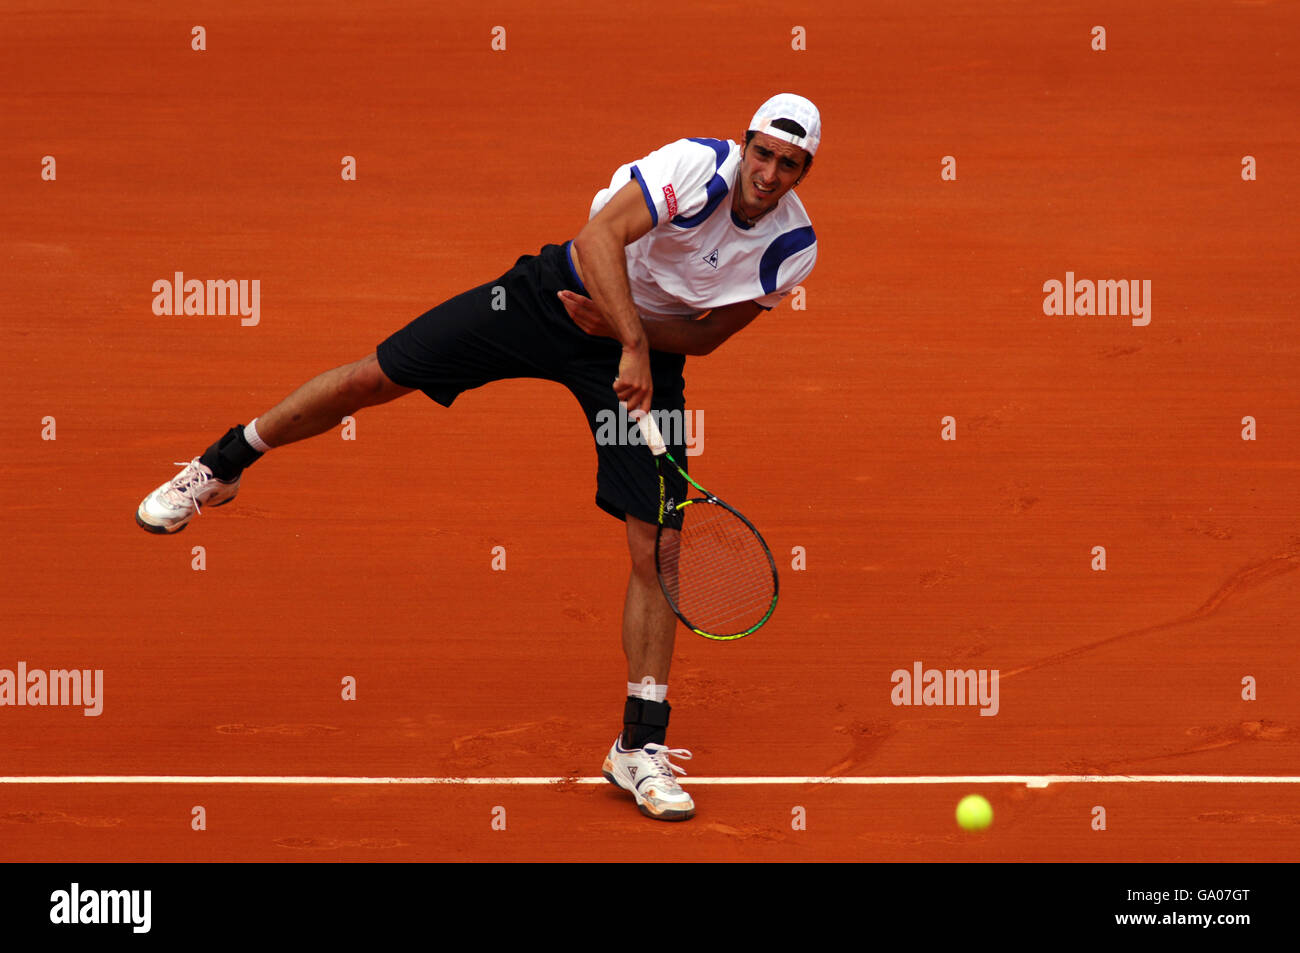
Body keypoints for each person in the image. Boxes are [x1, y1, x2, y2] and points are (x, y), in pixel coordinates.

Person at [136, 93, 820, 822]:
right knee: (377, 377)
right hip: (547, 301)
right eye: (764, 152)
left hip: (635, 357)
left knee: (658, 539)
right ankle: (219, 466)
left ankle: (638, 745)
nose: (770, 173)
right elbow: (598, 237)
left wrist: (632, 343)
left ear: (805, 171)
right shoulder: (696, 166)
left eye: (790, 164)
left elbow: (709, 336)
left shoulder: (791, 248)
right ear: (744, 143)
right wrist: (625, 333)